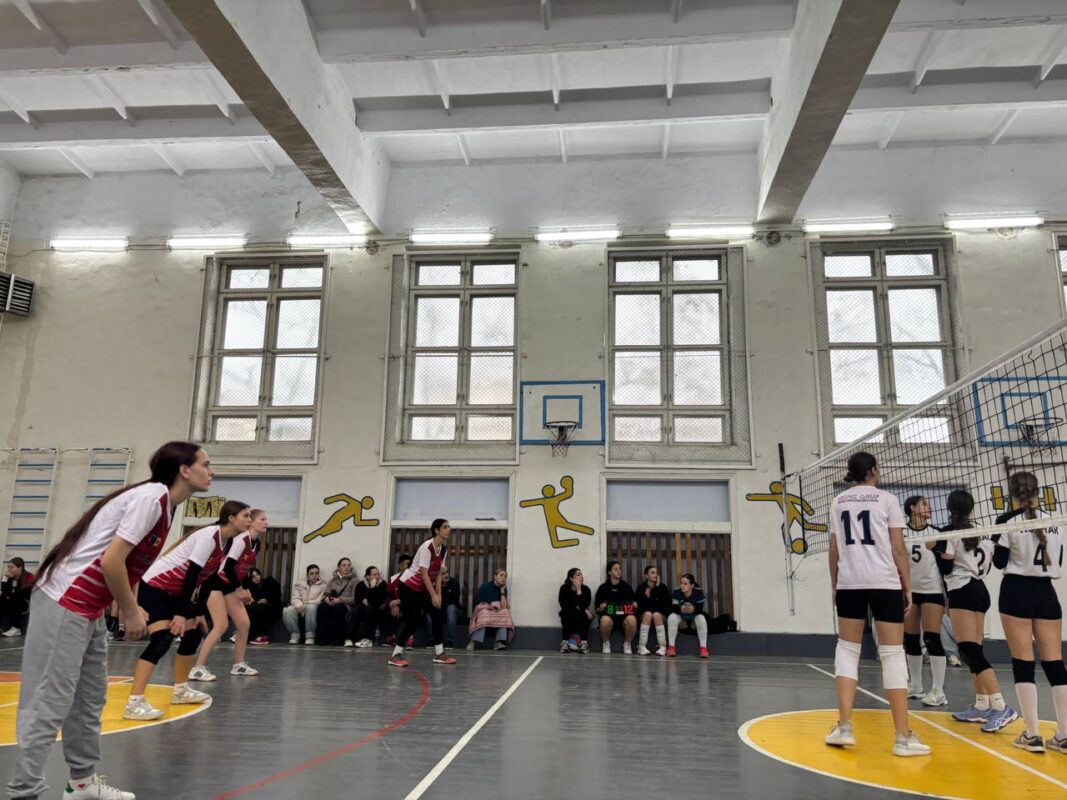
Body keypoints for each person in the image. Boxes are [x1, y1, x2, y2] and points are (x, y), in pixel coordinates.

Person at [8, 441, 210, 800]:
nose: (212, 472)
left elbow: (129, 563)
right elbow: (111, 560)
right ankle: (25, 791)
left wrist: (130, 605)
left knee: (90, 699)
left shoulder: (166, 505)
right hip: (64, 601)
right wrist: (130, 610)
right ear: (184, 470)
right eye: (205, 464)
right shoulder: (151, 498)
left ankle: (82, 785)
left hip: (90, 609)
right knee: (49, 700)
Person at [824, 452, 930, 757]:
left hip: (850, 583)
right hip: (884, 583)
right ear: (873, 470)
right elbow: (898, 548)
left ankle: (844, 727)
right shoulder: (887, 500)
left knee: (847, 650)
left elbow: (833, 549)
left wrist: (835, 585)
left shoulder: (838, 501)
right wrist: (907, 586)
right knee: (893, 654)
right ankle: (902, 738)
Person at [124, 500, 252, 721]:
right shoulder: (209, 537)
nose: (249, 520)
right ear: (231, 518)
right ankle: (133, 703)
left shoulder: (228, 542)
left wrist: (199, 612)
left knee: (193, 635)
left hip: (175, 592)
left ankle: (180, 690)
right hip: (155, 587)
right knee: (162, 639)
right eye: (246, 516)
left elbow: (208, 579)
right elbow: (191, 575)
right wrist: (181, 614)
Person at [993, 471, 1067, 753]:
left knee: (1023, 662)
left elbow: (1000, 562)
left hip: (1016, 591)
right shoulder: (1055, 521)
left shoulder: (1006, 521)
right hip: (1046, 593)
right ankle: (1064, 735)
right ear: (1038, 492)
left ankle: (1032, 735)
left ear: (1011, 493)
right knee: (1054, 663)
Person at [935, 489, 1018, 733]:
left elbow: (946, 568)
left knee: (969, 650)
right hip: (980, 590)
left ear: (949, 508)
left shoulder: (950, 532)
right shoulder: (981, 530)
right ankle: (981, 705)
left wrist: (934, 549)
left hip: (962, 590)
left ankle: (1000, 705)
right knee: (973, 650)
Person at [189, 508, 264, 680]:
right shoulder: (240, 540)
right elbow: (228, 568)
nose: (266, 522)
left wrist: (243, 589)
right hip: (215, 583)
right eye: (262, 519)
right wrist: (239, 589)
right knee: (221, 625)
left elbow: (240, 571)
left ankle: (238, 665)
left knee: (244, 623)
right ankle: (197, 668)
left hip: (229, 585)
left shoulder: (257, 544)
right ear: (252, 522)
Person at [388, 519, 458, 667]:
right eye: (445, 527)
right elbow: (424, 574)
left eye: (449, 527)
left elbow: (438, 574)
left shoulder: (443, 550)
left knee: (437, 614)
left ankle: (440, 654)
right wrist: (433, 595)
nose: (449, 529)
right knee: (415, 618)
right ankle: (395, 655)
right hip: (408, 586)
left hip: (422, 588)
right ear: (436, 530)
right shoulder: (427, 547)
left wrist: (438, 595)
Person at [902, 495, 948, 707]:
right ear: (912, 508)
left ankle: (938, 690)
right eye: (924, 504)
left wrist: (947, 597)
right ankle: (916, 685)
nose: (929, 507)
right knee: (911, 639)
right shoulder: (901, 533)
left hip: (932, 590)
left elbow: (945, 566)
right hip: (910, 592)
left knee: (931, 638)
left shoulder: (936, 533)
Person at [595, 560, 637, 654]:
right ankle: (606, 643)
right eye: (615, 569)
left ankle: (627, 644)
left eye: (620, 569)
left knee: (632, 620)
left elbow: (634, 601)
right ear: (609, 572)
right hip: (609, 617)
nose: (619, 571)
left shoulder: (626, 586)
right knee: (604, 620)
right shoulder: (603, 588)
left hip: (624, 617)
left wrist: (635, 604)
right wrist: (600, 607)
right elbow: (597, 608)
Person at [467, 568, 513, 651]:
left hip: (497, 611)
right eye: (501, 575)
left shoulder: (503, 589)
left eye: (505, 576)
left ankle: (499, 642)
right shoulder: (485, 587)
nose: (503, 578)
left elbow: (504, 607)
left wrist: (502, 592)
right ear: (495, 576)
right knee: (483, 614)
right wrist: (491, 606)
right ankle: (473, 641)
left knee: (505, 613)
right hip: (486, 609)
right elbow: (479, 603)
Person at [316, 558, 357, 646]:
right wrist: (326, 599)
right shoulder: (332, 580)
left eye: (349, 565)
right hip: (332, 603)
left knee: (339, 607)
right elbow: (325, 594)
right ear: (339, 567)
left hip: (345, 606)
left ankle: (338, 638)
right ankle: (322, 637)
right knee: (322, 607)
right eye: (344, 565)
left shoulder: (355, 580)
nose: (347, 567)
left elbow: (354, 599)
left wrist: (340, 600)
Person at [282, 564, 327, 645]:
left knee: (311, 607)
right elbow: (295, 598)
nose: (314, 575)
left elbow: (320, 600)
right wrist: (299, 605)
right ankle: (295, 635)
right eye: (311, 574)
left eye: (316, 573)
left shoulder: (323, 585)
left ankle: (310, 636)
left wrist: (306, 604)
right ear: (307, 575)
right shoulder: (300, 583)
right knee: (287, 610)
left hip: (312, 607)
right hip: (300, 606)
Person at [667, 574, 709, 658]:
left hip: (693, 621)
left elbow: (700, 610)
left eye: (685, 584)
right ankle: (671, 647)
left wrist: (693, 609)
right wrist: (680, 608)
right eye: (681, 583)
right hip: (682, 621)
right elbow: (673, 608)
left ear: (692, 585)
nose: (682, 586)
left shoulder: (698, 592)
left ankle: (703, 648)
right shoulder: (677, 592)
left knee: (701, 618)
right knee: (672, 617)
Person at [633, 565, 672, 656]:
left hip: (660, 617)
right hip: (646, 617)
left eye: (656, 573)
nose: (655, 575)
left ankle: (663, 647)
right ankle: (641, 646)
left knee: (656, 614)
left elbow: (665, 605)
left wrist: (657, 588)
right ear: (647, 576)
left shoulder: (662, 587)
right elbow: (641, 607)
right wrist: (648, 598)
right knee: (648, 614)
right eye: (652, 573)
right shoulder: (641, 587)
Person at [350, 566, 387, 647]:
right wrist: (363, 600)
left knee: (370, 608)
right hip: (363, 609)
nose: (377, 576)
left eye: (378, 574)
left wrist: (372, 588)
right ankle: (350, 638)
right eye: (374, 574)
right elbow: (357, 599)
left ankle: (366, 639)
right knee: (356, 609)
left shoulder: (382, 584)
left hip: (377, 609)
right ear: (368, 576)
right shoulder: (361, 584)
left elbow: (377, 601)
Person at [558, 567, 593, 653]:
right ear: (571, 578)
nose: (581, 576)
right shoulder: (564, 588)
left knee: (586, 615)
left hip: (581, 615)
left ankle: (584, 643)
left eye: (581, 574)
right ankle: (565, 643)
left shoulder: (586, 589)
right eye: (578, 575)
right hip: (568, 613)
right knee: (566, 613)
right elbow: (564, 604)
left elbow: (586, 604)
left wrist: (579, 590)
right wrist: (580, 608)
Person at [245, 567, 282, 645]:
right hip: (260, 609)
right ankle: (248, 634)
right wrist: (255, 601)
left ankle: (261, 636)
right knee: (251, 608)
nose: (256, 578)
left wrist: (267, 600)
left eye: (257, 575)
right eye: (253, 577)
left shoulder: (269, 581)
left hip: (274, 609)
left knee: (260, 608)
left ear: (260, 575)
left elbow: (277, 595)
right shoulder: (252, 588)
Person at [383, 554, 413, 647]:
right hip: (396, 606)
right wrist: (393, 605)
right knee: (386, 608)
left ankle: (409, 637)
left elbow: (414, 597)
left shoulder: (414, 579)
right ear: (400, 566)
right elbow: (388, 595)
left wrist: (400, 602)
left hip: (409, 605)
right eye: (407, 564)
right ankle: (391, 637)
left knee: (413, 607)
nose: (410, 567)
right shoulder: (393, 579)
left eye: (411, 564)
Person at [0, 557, 34, 636]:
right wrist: (5, 578)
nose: (9, 569)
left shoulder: (29, 576)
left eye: (12, 567)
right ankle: (2, 626)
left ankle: (16, 628)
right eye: (8, 567)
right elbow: (4, 590)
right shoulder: (10, 577)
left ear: (20, 568)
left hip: (24, 601)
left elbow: (24, 593)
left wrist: (11, 592)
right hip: (13, 599)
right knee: (2, 599)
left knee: (13, 600)